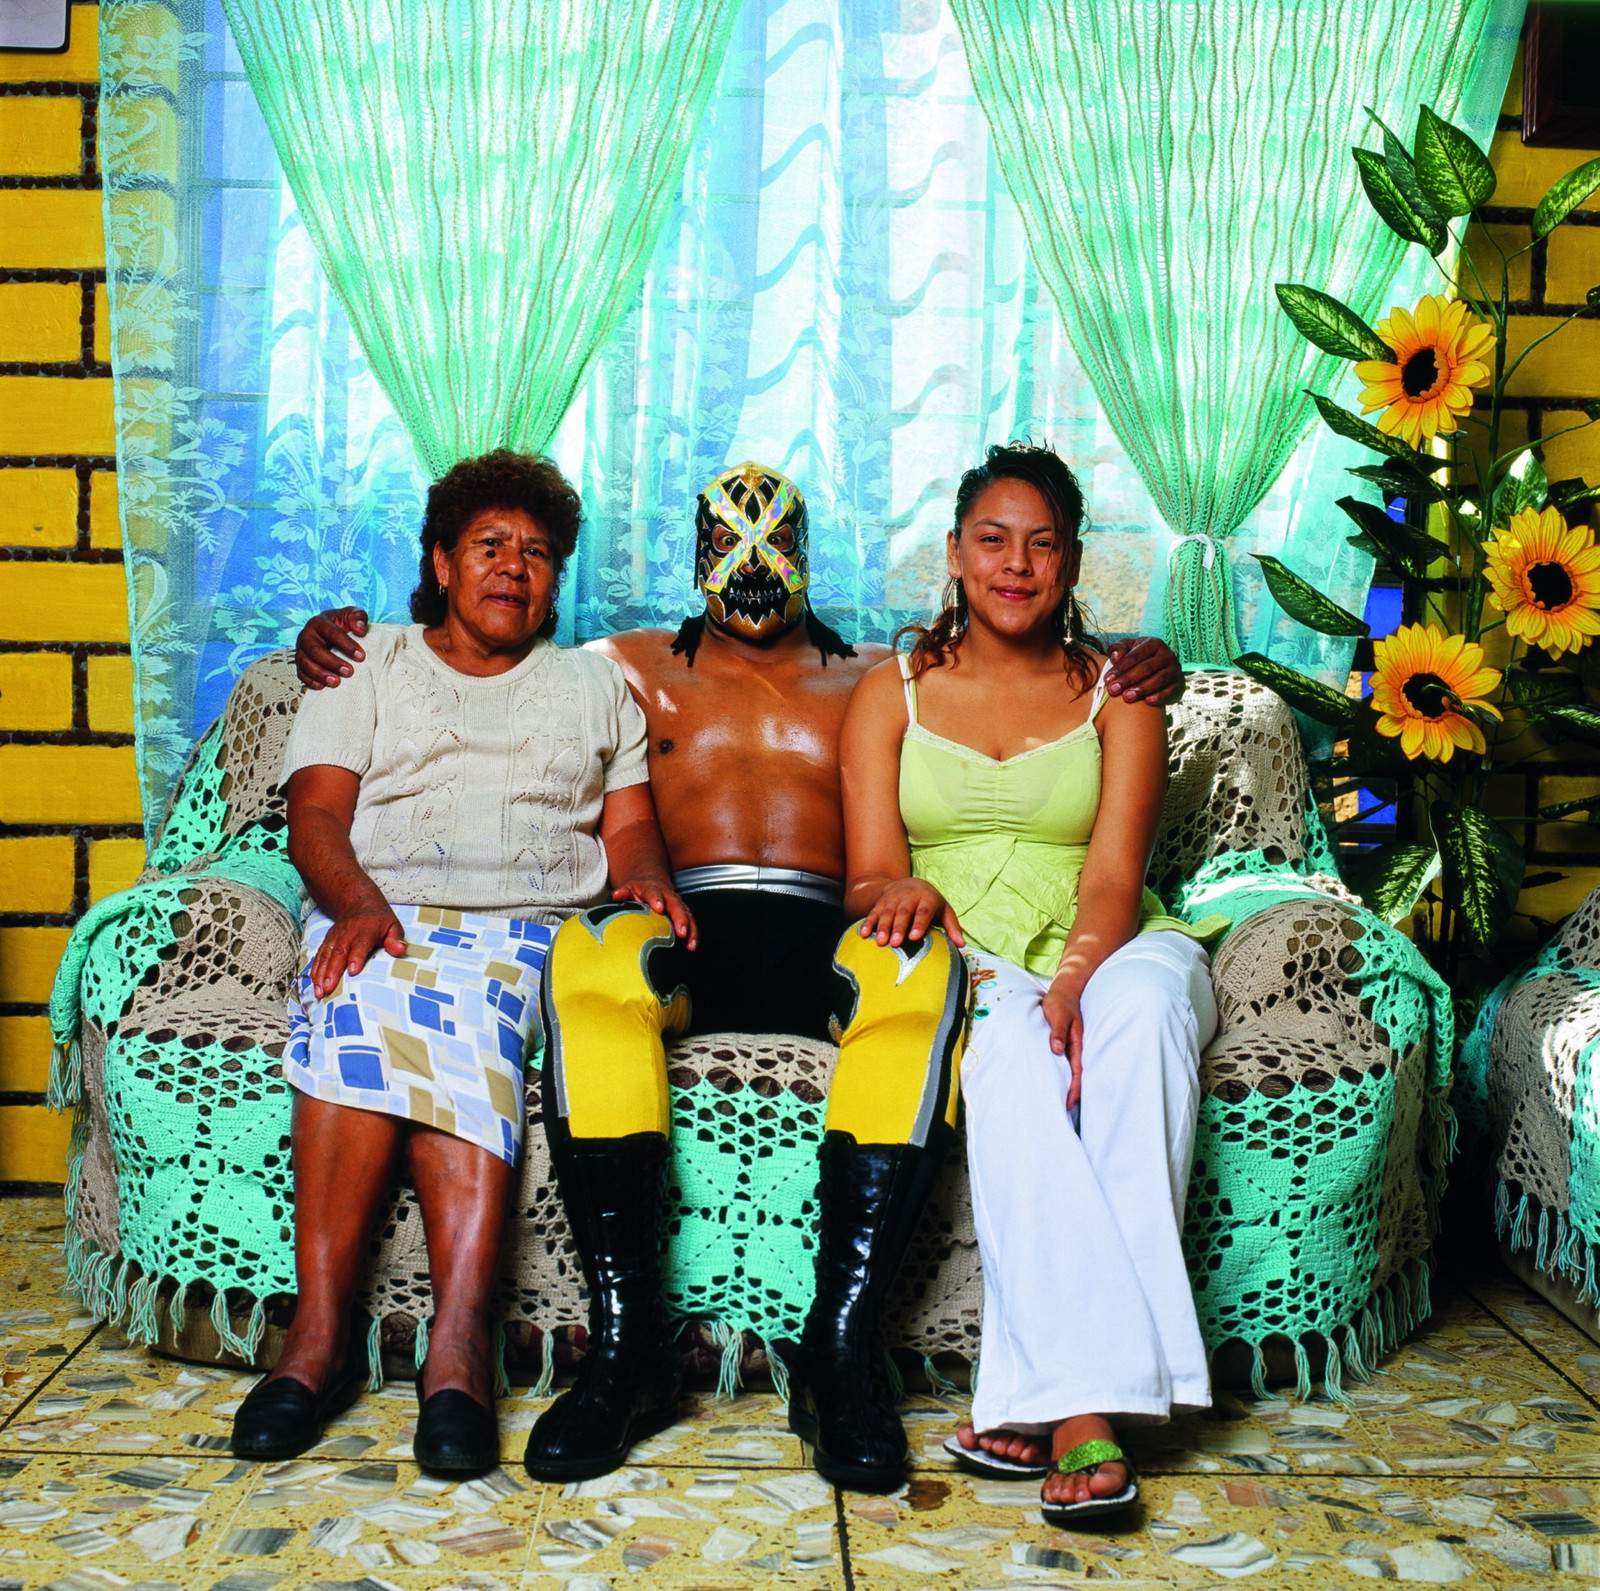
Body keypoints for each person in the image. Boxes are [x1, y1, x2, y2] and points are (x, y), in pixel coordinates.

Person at [291, 460, 1188, 1492]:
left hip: (826, 922)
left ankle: (841, 1353)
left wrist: (1138, 662)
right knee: (584, 961)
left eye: (778, 546)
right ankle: (628, 1350)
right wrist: (337, 636)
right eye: (731, 545)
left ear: (810, 557)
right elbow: (490, 650)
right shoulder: (617, 665)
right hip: (684, 915)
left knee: (919, 974)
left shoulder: (878, 676)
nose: (756, 568)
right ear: (695, 557)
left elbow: (1014, 671)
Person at [233, 451, 691, 1478]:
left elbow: (630, 833)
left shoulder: (594, 684)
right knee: (361, 986)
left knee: (473, 1011)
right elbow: (314, 815)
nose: (513, 569)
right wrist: (355, 903)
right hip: (377, 909)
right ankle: (315, 1341)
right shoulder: (368, 662)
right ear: (442, 562)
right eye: (489, 546)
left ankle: (458, 1351)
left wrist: (650, 883)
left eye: (536, 554)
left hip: (525, 929)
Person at [839, 442, 1221, 1524]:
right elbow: (865, 866)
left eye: (1040, 544)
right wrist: (897, 890)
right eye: (992, 541)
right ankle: (1089, 1412)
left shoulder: (1119, 693)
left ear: (1072, 563)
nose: (1016, 565)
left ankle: (1043, 1396)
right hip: (968, 948)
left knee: (1140, 1020)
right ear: (955, 555)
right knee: (1006, 1056)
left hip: (1113, 937)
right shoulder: (889, 695)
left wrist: (1080, 980)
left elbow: (1114, 874)